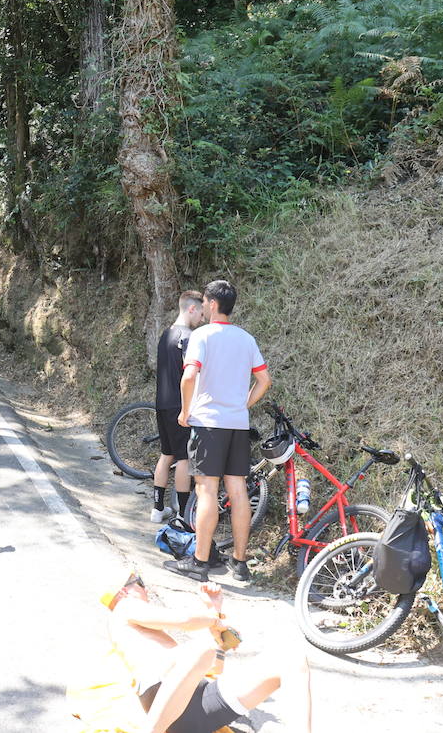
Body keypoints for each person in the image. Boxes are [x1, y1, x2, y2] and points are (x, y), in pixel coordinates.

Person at [103, 573, 311, 733]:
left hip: (197, 706)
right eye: (140, 583)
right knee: (202, 649)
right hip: (160, 701)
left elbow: (214, 668)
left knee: (291, 660)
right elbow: (184, 621)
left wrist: (215, 610)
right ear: (123, 592)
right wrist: (214, 618)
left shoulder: (148, 632)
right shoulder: (124, 607)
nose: (146, 589)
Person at [169, 280, 271, 584]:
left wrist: (185, 411)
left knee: (207, 491)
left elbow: (189, 376)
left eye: (204, 302)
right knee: (238, 491)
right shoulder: (246, 339)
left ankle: (199, 562)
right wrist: (243, 405)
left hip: (208, 424)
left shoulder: (202, 336)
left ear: (212, 304)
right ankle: (240, 563)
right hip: (237, 425)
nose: (202, 307)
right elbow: (264, 381)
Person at [152, 290, 205, 523]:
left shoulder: (166, 334)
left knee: (166, 454)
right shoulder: (188, 337)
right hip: (180, 405)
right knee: (184, 458)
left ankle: (157, 509)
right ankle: (184, 514)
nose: (202, 320)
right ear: (191, 308)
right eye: (201, 314)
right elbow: (191, 373)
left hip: (162, 403)